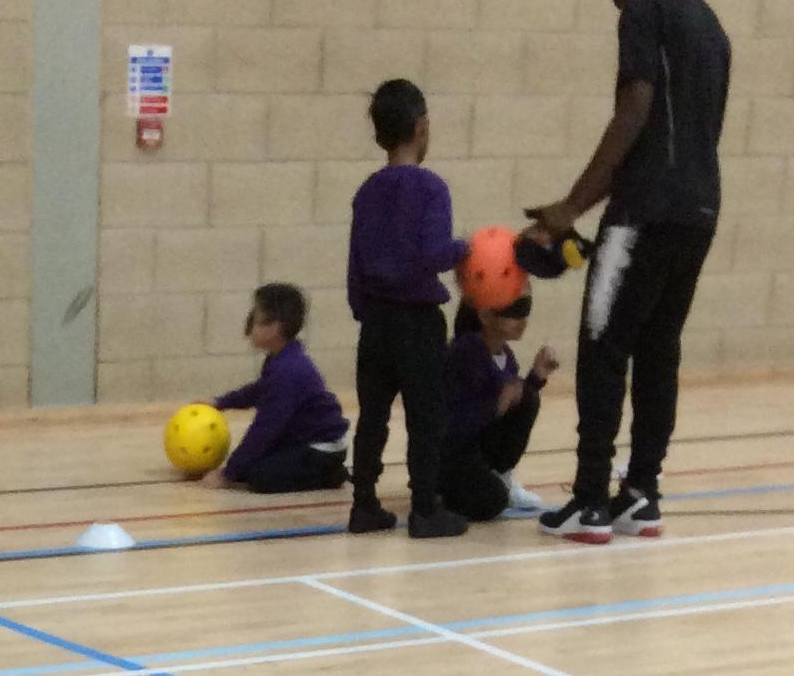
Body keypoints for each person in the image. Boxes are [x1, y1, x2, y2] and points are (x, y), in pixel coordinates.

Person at [526, 0, 731, 545]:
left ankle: (590, 501)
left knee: (603, 346)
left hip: (642, 212)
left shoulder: (645, 9)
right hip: (700, 211)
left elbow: (633, 113)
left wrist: (570, 208)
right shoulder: (714, 28)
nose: (620, 8)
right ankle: (642, 495)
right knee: (659, 348)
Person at [346, 79, 468, 541]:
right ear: (421, 127)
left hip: (375, 321)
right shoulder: (431, 188)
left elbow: (355, 263)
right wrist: (464, 248)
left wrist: (365, 312)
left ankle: (363, 505)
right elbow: (434, 253)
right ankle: (424, 509)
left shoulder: (367, 191)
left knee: (372, 417)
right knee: (424, 418)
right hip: (417, 321)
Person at [209, 284, 349, 494]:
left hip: (321, 449)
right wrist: (220, 402)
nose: (249, 327)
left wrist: (227, 474)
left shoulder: (287, 370)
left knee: (260, 476)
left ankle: (330, 474)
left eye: (255, 320)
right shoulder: (280, 359)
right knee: (251, 465)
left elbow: (264, 429)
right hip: (302, 439)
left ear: (275, 328)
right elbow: (259, 390)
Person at [438, 293, 557, 524]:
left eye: (525, 314)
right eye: (514, 314)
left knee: (529, 397)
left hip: (476, 447)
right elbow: (451, 424)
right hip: (453, 453)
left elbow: (510, 408)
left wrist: (536, 378)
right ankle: (442, 491)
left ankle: (500, 476)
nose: (522, 322)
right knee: (492, 502)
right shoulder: (466, 352)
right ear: (485, 316)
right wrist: (494, 406)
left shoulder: (506, 356)